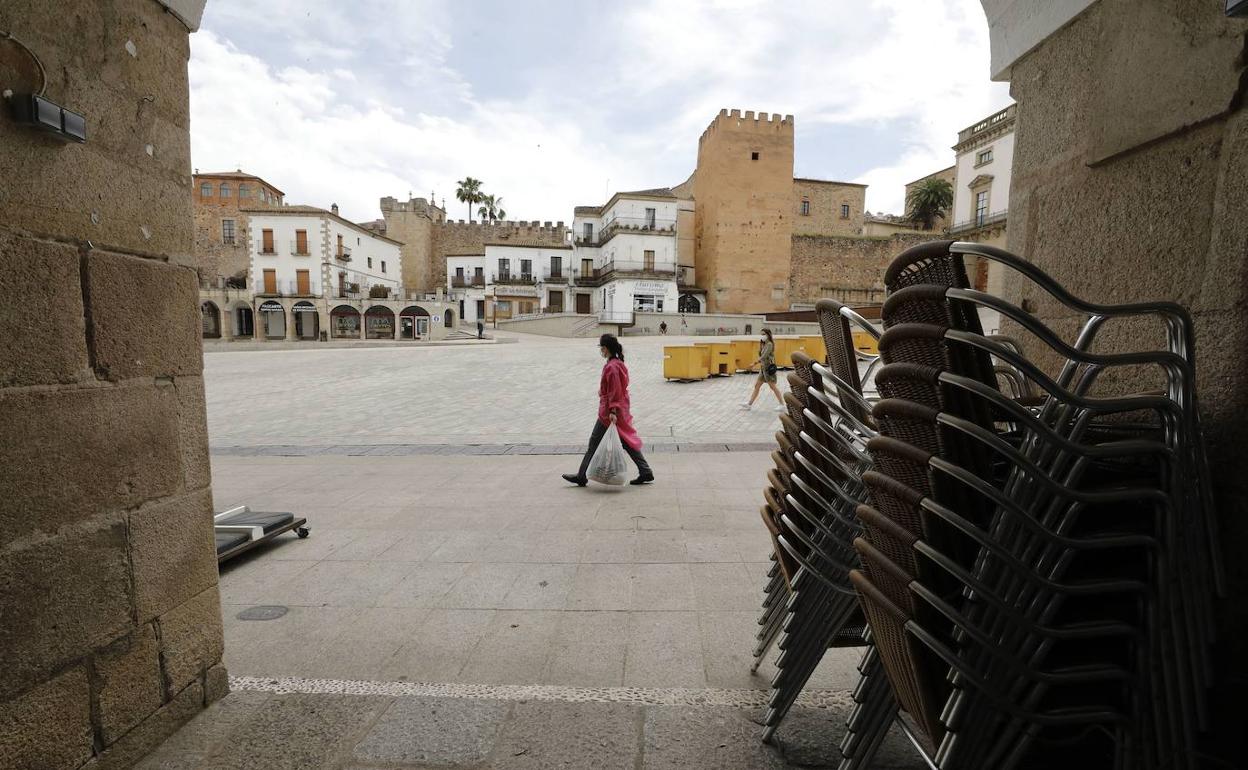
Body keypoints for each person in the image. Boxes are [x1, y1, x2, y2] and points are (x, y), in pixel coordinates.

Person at [563, 334, 654, 486]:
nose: (601, 351)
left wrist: (612, 411)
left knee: (594, 442)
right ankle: (645, 471)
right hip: (618, 409)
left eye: (602, 348)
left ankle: (581, 475)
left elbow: (615, 390)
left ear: (606, 348)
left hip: (609, 413)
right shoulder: (617, 363)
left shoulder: (612, 367)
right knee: (626, 441)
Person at [741, 328, 784, 411]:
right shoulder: (764, 344)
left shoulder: (769, 344)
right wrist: (760, 345)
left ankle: (782, 404)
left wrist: (754, 363)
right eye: (761, 334)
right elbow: (761, 354)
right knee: (757, 385)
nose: (762, 336)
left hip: (768, 368)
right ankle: (749, 404)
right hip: (763, 368)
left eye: (764, 334)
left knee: (772, 386)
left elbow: (764, 356)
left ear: (768, 335)